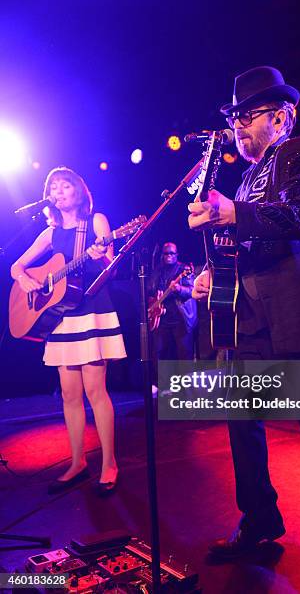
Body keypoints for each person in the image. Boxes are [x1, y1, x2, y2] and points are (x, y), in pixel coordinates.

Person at [188, 66, 300, 584]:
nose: (239, 126)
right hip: (251, 320)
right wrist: (209, 269)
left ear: (281, 118)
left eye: (250, 116)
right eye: (236, 117)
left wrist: (230, 213)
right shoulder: (246, 175)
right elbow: (248, 238)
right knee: (242, 422)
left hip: (296, 315)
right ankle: (260, 519)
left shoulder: (298, 152)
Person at [10, 167, 126, 496]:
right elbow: (16, 266)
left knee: (95, 391)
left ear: (79, 192)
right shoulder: (50, 233)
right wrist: (27, 280)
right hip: (61, 317)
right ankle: (77, 462)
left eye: (65, 186)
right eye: (53, 187)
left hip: (91, 312)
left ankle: (109, 464)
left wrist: (103, 256)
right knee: (70, 396)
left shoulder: (97, 222)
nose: (58, 192)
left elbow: (111, 268)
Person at [148, 243, 197, 363]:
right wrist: (154, 302)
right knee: (159, 354)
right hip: (161, 319)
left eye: (172, 253)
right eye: (166, 253)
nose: (169, 256)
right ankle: (159, 381)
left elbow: (193, 290)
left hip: (180, 318)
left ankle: (186, 381)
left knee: (184, 354)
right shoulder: (157, 271)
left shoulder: (184, 270)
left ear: (177, 255)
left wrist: (179, 289)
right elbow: (150, 290)